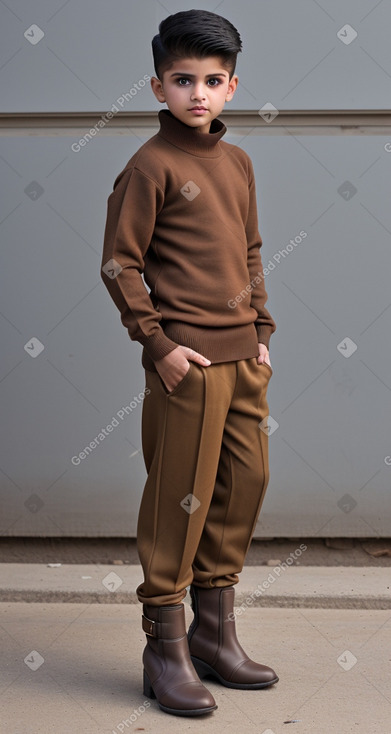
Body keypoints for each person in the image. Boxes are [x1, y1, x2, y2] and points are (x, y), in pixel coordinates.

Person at [101, 8, 278, 718]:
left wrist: (260, 327)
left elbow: (251, 251)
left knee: (246, 483)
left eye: (211, 80)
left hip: (242, 358)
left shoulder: (236, 162)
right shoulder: (149, 165)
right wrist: (159, 345)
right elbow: (119, 265)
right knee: (181, 499)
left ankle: (213, 633)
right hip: (188, 364)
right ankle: (164, 647)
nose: (196, 93)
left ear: (232, 87)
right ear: (157, 86)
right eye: (182, 80)